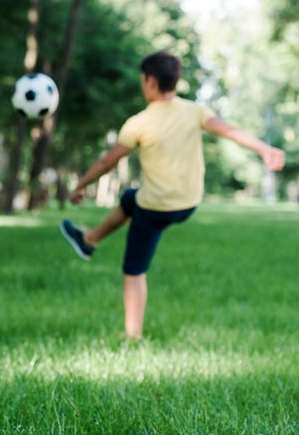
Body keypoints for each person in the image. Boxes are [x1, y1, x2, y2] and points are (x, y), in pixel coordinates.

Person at [60, 51, 284, 340]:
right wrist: (264, 149)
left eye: (143, 80)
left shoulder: (139, 123)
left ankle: (133, 337)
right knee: (130, 198)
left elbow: (107, 163)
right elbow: (229, 131)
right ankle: (89, 239)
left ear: (151, 81)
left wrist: (80, 186)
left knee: (134, 269)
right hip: (188, 203)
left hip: (156, 208)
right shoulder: (195, 111)